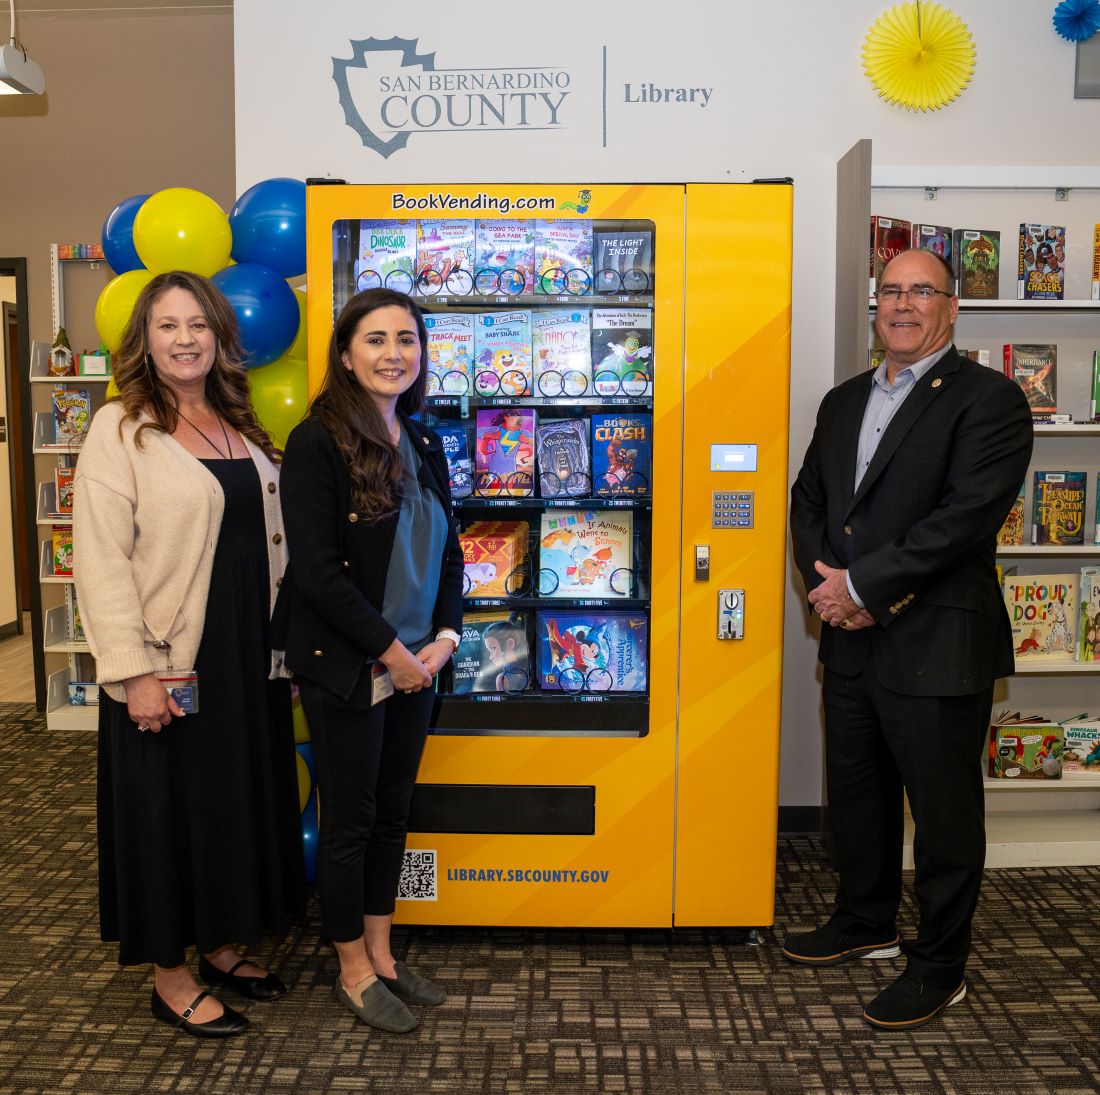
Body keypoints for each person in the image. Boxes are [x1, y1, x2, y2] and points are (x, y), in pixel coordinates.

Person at [786, 249, 1033, 1029]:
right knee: (857, 796)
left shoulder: (991, 401)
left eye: (920, 290)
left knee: (944, 813)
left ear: (951, 308)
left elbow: (961, 521)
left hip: (937, 640)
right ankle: (865, 921)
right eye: (890, 290)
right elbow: (810, 501)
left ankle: (940, 963)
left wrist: (860, 589)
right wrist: (829, 585)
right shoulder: (843, 398)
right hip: (852, 640)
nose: (902, 303)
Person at [73, 271, 305, 1038]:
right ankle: (170, 977)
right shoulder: (120, 427)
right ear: (143, 339)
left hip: (245, 657)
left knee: (230, 802)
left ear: (219, 335)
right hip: (171, 661)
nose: (184, 339)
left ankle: (221, 944)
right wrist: (134, 671)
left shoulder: (232, 418)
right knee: (165, 814)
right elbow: (101, 560)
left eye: (198, 324)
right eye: (167, 325)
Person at [274, 287, 463, 1033]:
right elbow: (317, 574)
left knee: (392, 814)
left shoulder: (422, 439)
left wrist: (444, 639)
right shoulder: (315, 441)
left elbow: (450, 549)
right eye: (377, 340)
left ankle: (383, 953)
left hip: (418, 662)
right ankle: (351, 968)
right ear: (346, 354)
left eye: (407, 340)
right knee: (349, 822)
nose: (395, 354)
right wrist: (393, 654)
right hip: (354, 666)